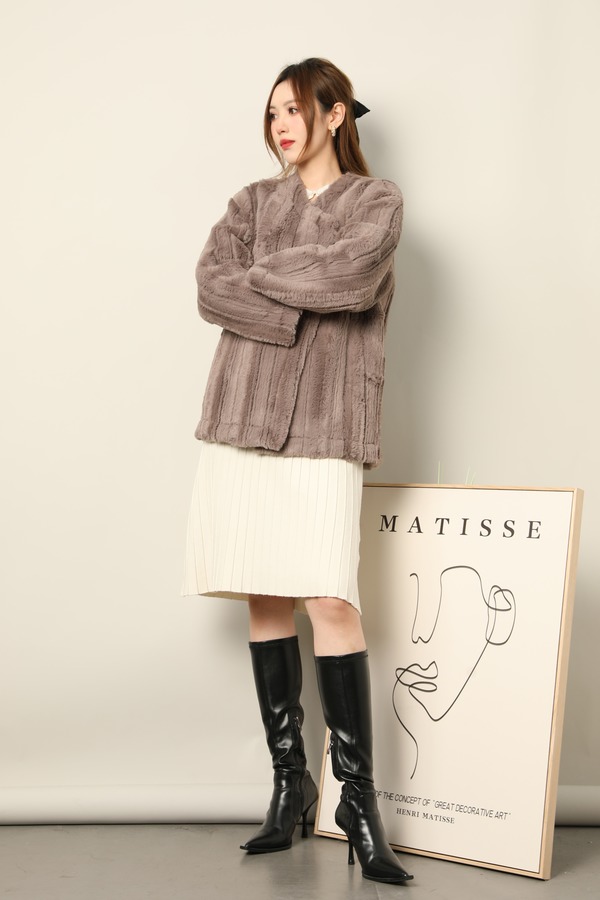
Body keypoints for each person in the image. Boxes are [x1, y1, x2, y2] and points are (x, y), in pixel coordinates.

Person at [182, 57, 412, 885]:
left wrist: (262, 284)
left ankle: (358, 802)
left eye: (295, 109)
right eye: (272, 111)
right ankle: (290, 786)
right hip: (241, 417)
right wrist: (293, 292)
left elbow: (353, 279)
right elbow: (210, 289)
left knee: (330, 600)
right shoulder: (251, 203)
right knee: (266, 595)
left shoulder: (376, 201)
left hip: (326, 419)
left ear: (336, 113)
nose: (281, 124)